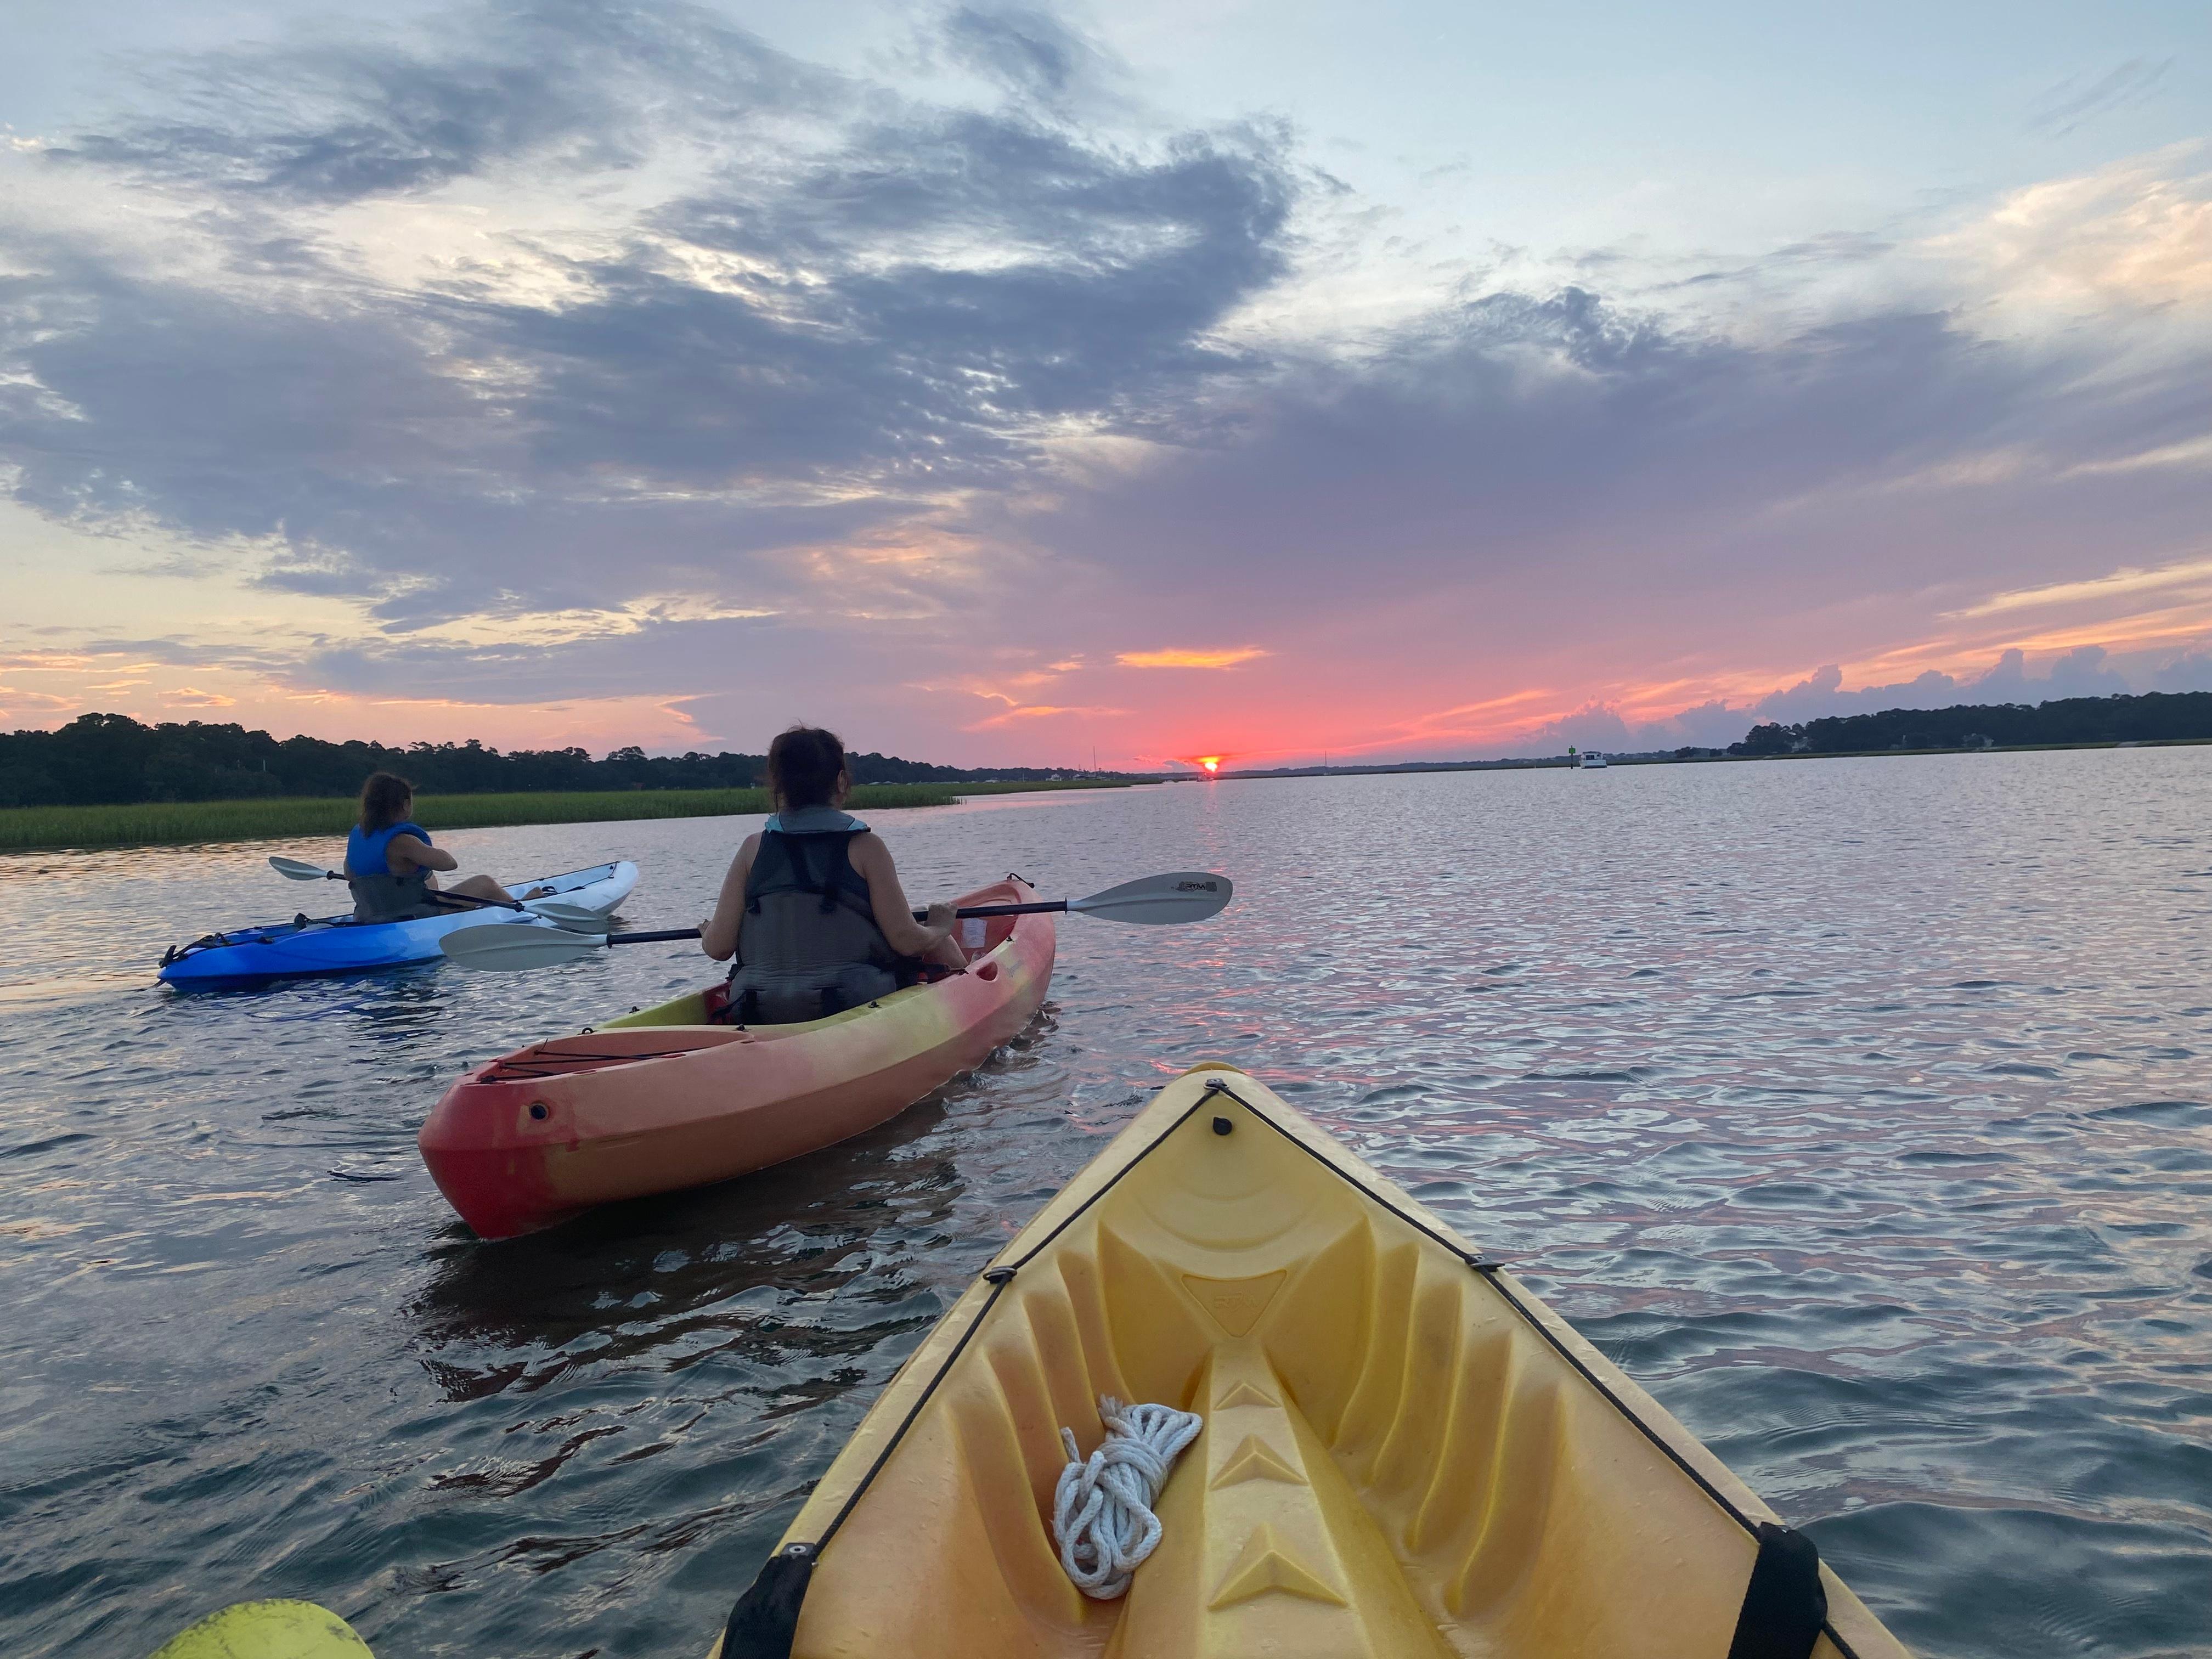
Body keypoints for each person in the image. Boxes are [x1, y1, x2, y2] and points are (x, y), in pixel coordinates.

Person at [699, 725, 964, 1022]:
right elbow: (906, 941)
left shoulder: (752, 848)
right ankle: (968, 1005)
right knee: (927, 927)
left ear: (778, 784)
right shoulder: (866, 847)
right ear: (840, 781)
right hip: (850, 1006)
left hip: (758, 1008)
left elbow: (718, 947)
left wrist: (708, 932)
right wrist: (940, 927)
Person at [343, 772, 543, 921]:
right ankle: (520, 910)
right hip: (412, 915)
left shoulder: (357, 837)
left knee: (429, 878)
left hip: (371, 914)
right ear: (405, 805)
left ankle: (482, 910)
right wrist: (424, 853)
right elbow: (449, 864)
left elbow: (350, 875)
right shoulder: (404, 841)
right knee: (485, 883)